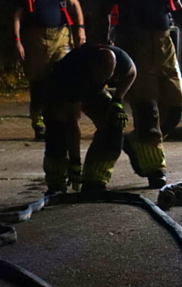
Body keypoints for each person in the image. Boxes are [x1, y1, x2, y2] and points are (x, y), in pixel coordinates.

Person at [101, 0, 182, 189]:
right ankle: (156, 168)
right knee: (147, 109)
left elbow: (175, 5)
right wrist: (105, 45)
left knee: (176, 104)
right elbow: (104, 9)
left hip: (164, 43)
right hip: (134, 42)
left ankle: (137, 143)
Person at [40, 43, 136, 194]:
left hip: (93, 90)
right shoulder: (72, 70)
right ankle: (56, 182)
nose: (101, 80)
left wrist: (117, 101)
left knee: (113, 122)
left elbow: (131, 73)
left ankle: (95, 178)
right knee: (58, 130)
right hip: (59, 89)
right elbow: (73, 123)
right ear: (91, 66)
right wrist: (75, 161)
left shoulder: (122, 59)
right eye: (98, 77)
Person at [14, 0, 86, 141]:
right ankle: (38, 123)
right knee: (38, 82)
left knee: (63, 77)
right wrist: (17, 41)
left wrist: (80, 29)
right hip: (36, 38)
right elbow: (17, 16)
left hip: (61, 36)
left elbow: (75, 5)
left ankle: (59, 120)